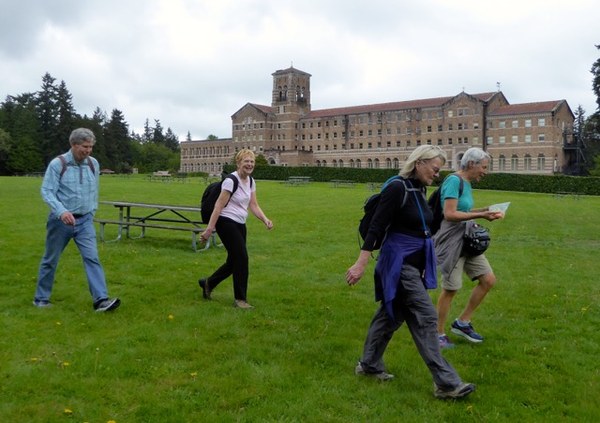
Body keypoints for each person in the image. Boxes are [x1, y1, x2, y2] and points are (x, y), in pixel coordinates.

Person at [346, 145, 476, 400]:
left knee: (391, 316)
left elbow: (424, 226)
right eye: (434, 169)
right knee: (426, 316)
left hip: (414, 265)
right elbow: (377, 226)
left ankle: (369, 365)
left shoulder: (419, 189)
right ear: (419, 163)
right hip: (398, 264)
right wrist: (360, 264)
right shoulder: (397, 188)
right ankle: (446, 383)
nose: (437, 174)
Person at [33, 128, 120, 312]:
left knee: (92, 258)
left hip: (85, 221)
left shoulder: (93, 164)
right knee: (50, 259)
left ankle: (101, 300)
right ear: (73, 144)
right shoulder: (58, 164)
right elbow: (47, 191)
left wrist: (91, 212)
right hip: (61, 221)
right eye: (84, 146)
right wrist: (61, 211)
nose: (88, 150)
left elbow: (94, 190)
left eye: (90, 147)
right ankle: (41, 299)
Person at [434, 147, 504, 349]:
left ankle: (462, 322)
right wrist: (481, 215)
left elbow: (463, 210)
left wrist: (484, 210)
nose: (485, 172)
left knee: (488, 280)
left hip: (467, 239)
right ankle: (437, 333)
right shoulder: (453, 181)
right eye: (484, 167)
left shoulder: (466, 183)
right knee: (451, 289)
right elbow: (449, 214)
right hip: (452, 241)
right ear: (472, 164)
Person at [198, 149, 273, 309]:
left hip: (240, 223)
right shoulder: (231, 181)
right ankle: (240, 300)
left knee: (233, 261)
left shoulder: (251, 181)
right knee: (242, 259)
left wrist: (265, 219)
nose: (250, 164)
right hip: (226, 222)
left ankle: (208, 283)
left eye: (252, 162)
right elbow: (218, 206)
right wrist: (209, 229)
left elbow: (253, 204)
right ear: (238, 163)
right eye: (246, 161)